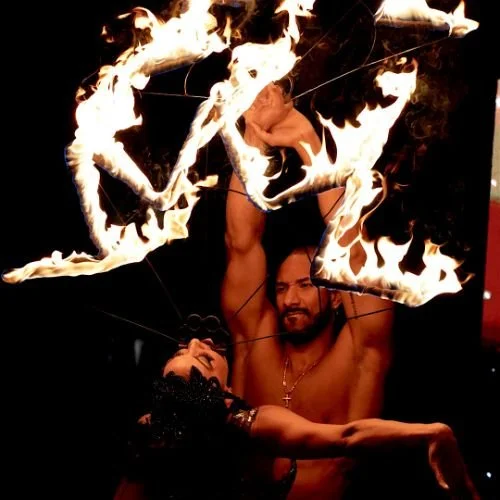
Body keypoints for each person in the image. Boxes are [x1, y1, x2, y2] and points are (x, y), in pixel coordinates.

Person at [221, 82, 395, 498]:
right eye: (282, 287)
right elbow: (241, 242)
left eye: (305, 285)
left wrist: (308, 143)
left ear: (334, 295)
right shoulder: (255, 344)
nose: (290, 299)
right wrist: (253, 141)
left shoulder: (359, 354)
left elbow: (348, 244)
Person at [114, 337, 479, 500]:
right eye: (203, 358)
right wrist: (432, 433)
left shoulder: (153, 431)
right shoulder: (250, 427)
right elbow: (348, 437)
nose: (199, 341)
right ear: (221, 391)